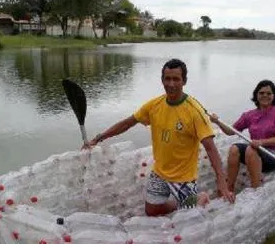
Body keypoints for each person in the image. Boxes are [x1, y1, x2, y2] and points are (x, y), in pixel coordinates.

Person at [82, 58, 235, 217]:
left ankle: (199, 198)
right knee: (152, 211)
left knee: (189, 218)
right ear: (162, 80)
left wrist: (222, 184)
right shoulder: (154, 105)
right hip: (160, 172)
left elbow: (211, 148)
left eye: (176, 79)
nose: (171, 84)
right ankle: (181, 203)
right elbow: (128, 123)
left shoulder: (194, 112)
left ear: (184, 81)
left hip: (184, 177)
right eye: (167, 79)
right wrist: (99, 138)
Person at [210, 79, 275, 193]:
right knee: (234, 148)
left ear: (274, 96)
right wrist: (217, 121)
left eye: (269, 93)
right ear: (256, 95)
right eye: (261, 93)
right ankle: (229, 188)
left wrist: (261, 142)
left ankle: (255, 190)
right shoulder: (249, 115)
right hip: (256, 151)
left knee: (250, 150)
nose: (265, 96)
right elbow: (231, 131)